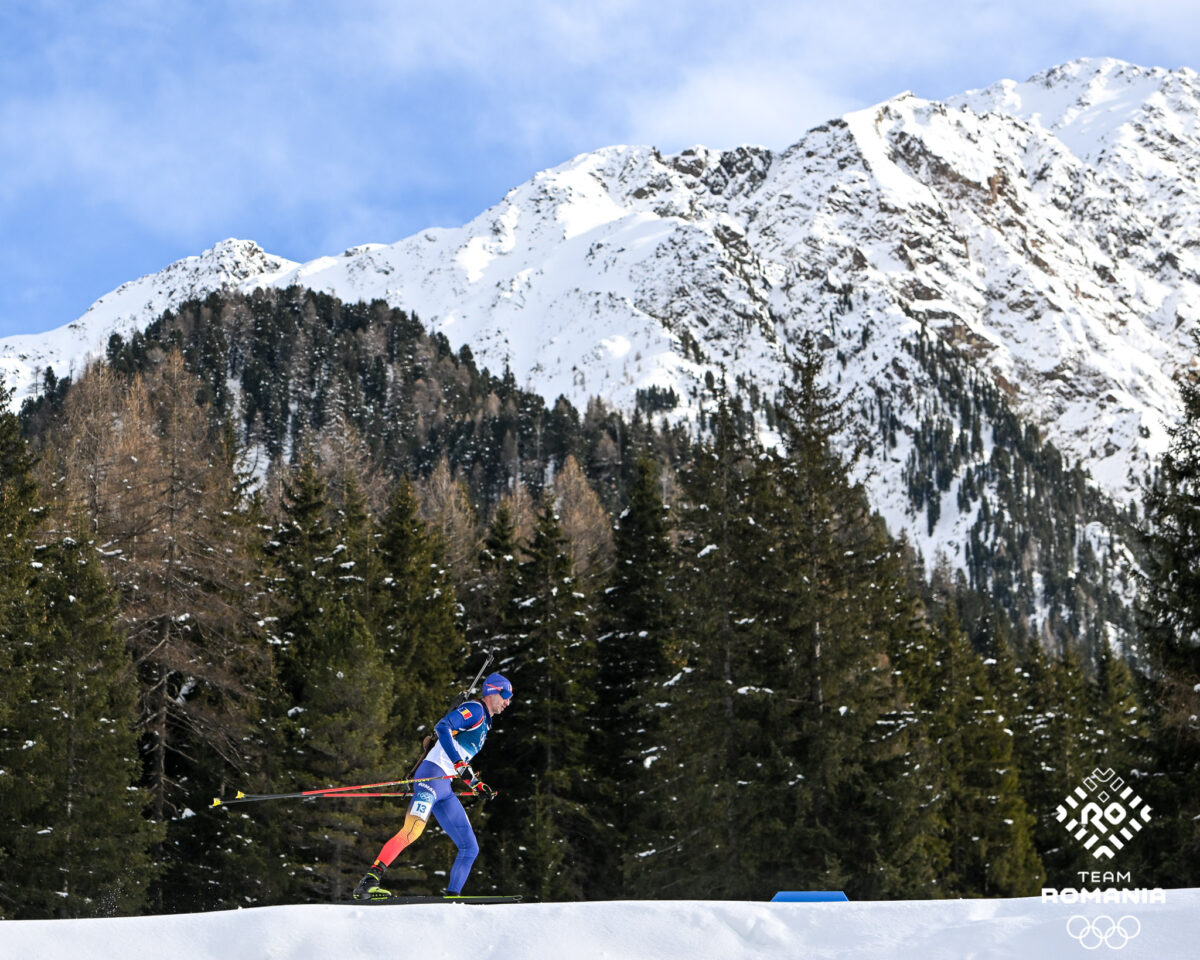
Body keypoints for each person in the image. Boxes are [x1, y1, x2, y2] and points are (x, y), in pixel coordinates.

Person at [353, 672, 513, 900]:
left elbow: (459, 762)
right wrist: (459, 764)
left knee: (470, 848)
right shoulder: (475, 710)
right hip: (430, 778)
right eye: (505, 695)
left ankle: (452, 898)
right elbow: (442, 727)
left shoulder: (486, 722)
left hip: (444, 787)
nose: (507, 702)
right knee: (412, 830)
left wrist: (476, 784)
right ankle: (368, 883)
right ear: (492, 691)